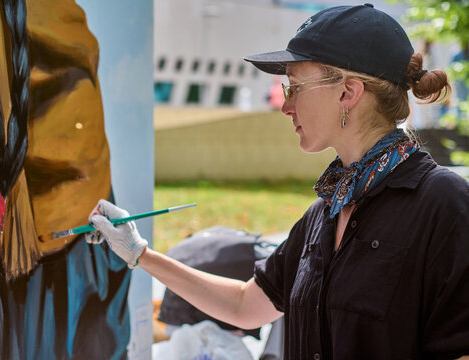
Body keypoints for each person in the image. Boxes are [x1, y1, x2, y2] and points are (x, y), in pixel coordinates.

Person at [88, 4, 469, 359]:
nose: (286, 105)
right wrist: (140, 253)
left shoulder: (444, 205)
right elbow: (244, 306)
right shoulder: (324, 213)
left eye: (295, 87)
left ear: (348, 93)